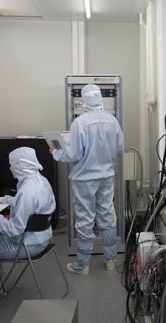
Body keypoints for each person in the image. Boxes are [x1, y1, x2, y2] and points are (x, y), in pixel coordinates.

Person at [49, 83, 124, 276]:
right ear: (100, 98)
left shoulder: (79, 123)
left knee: (85, 219)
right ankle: (110, 260)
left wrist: (56, 152)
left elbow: (72, 155)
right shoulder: (112, 120)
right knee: (108, 216)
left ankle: (82, 265)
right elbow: (119, 147)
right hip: (106, 176)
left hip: (84, 179)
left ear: (83, 100)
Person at [0, 147, 56, 261]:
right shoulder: (41, 181)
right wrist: (2, 200)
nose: (10, 168)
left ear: (19, 166)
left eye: (11, 165)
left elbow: (14, 229)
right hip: (41, 238)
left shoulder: (27, 191)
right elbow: (30, 205)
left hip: (26, 245)